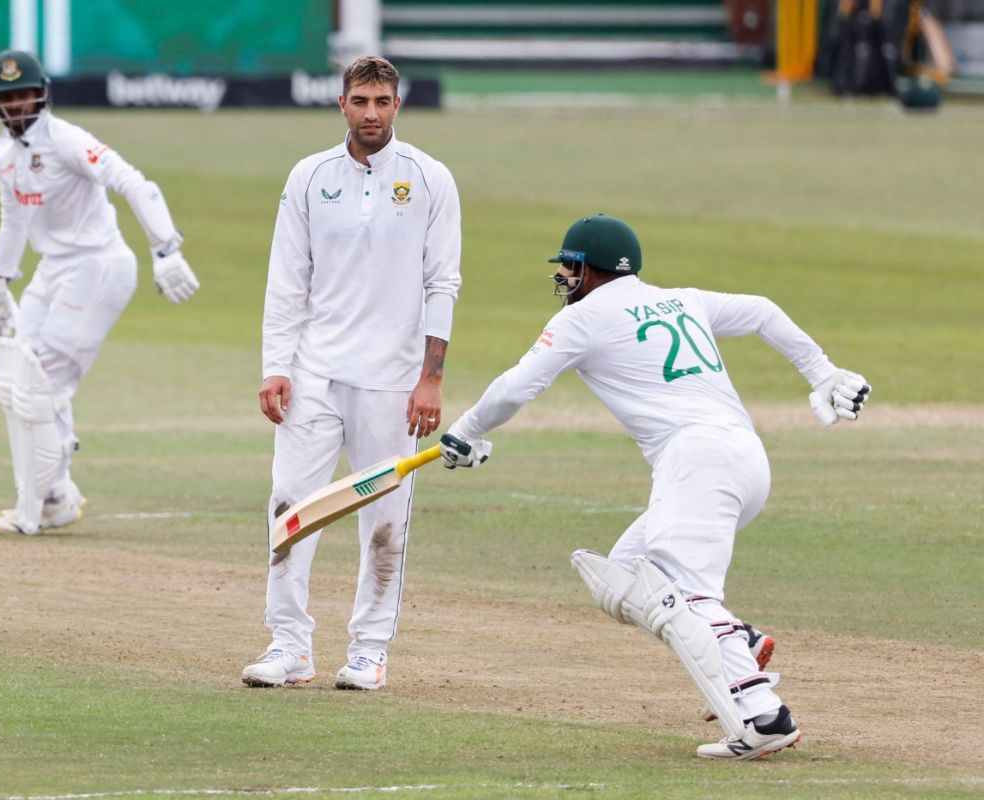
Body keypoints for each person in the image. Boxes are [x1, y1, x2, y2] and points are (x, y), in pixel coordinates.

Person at [438, 214, 870, 760]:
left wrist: (467, 431)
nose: (565, 278)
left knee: (685, 595)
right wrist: (822, 372)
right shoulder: (681, 298)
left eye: (569, 267)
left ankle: (763, 717)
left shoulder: (582, 319)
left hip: (696, 462)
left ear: (588, 269)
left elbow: (516, 386)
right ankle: (738, 638)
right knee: (625, 573)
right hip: (746, 457)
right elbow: (761, 310)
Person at [242, 56, 462, 690]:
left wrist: (431, 377)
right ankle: (289, 644)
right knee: (290, 506)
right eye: (361, 101)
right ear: (342, 104)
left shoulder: (429, 179)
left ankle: (369, 649)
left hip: (393, 380)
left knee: (384, 518)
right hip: (314, 372)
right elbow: (287, 280)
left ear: (398, 105)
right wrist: (276, 367)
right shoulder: (310, 177)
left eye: (383, 102)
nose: (372, 113)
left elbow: (442, 281)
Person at [0, 50, 199, 535]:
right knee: (17, 374)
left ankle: (49, 498)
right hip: (54, 268)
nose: (16, 106)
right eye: (6, 98)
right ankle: (53, 491)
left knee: (46, 382)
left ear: (42, 94)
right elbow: (13, 220)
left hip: (99, 266)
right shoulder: (4, 156)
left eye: (24, 95)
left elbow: (135, 183)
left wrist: (166, 249)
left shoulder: (67, 140)